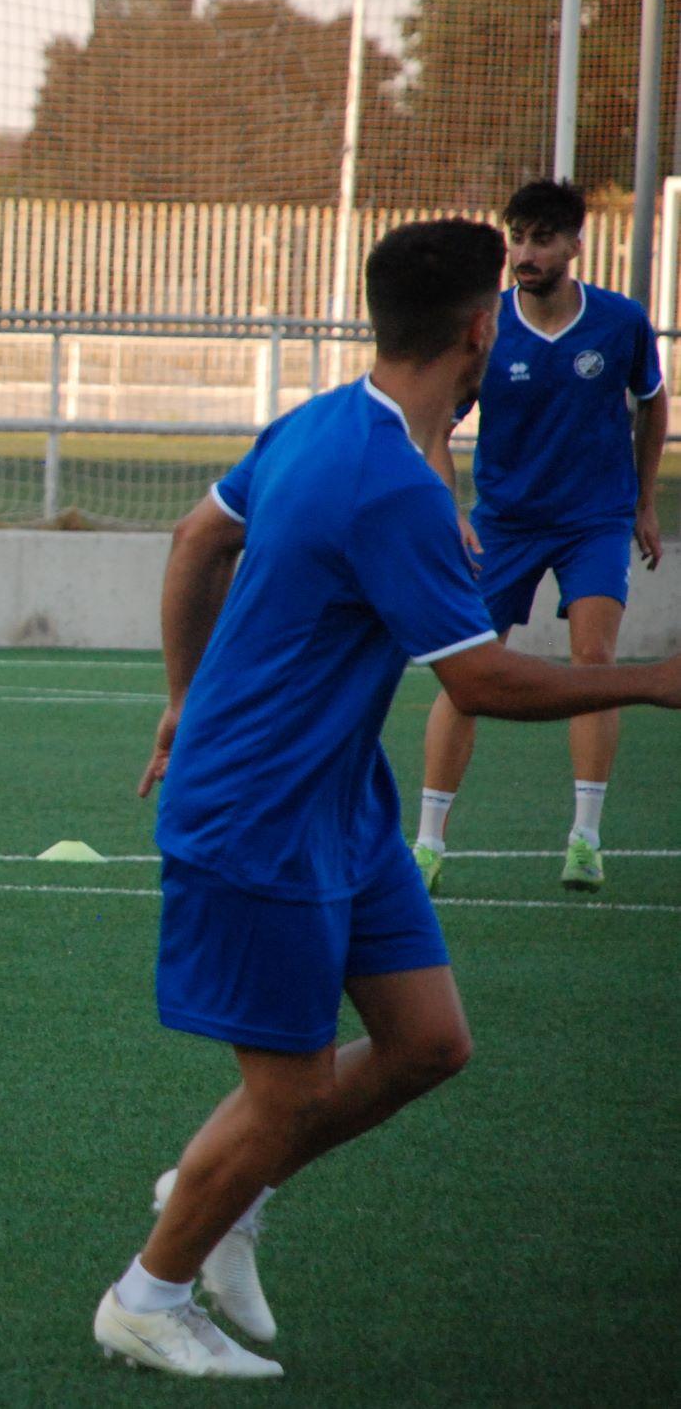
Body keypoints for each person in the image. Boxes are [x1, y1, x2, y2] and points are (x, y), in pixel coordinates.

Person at [95, 219, 681, 1379]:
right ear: (477, 330)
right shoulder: (383, 481)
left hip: (338, 799)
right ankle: (146, 1295)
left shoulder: (330, 422)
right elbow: (477, 678)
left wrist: (180, 695)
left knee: (424, 1041)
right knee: (288, 1089)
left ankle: (221, 1186)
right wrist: (650, 681)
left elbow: (193, 538)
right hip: (256, 804)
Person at [413, 180, 667, 894]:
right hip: (502, 523)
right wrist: (448, 506)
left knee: (593, 660)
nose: (525, 253)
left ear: (574, 245)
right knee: (467, 673)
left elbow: (653, 403)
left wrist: (643, 502)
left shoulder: (619, 322)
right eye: (516, 239)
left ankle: (584, 839)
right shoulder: (484, 324)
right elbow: (434, 422)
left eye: (541, 240)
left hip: (595, 519)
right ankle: (428, 844)